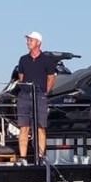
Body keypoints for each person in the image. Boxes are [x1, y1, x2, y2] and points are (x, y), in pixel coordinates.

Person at [16, 30, 58, 163]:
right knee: (24, 127)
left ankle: (41, 156)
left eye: (31, 40)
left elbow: (51, 78)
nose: (28, 42)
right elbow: (21, 77)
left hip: (40, 95)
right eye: (28, 40)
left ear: (38, 43)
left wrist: (45, 92)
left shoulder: (47, 60)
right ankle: (23, 158)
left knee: (40, 127)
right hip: (24, 95)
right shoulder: (23, 59)